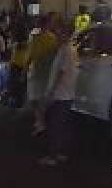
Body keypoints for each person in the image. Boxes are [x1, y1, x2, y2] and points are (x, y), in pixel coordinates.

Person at [39, 19, 78, 167]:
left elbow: (61, 73)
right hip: (65, 93)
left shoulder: (66, 50)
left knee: (54, 125)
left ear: (66, 34)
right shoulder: (68, 49)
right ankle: (60, 153)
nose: (57, 35)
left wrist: (50, 93)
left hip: (60, 94)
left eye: (60, 33)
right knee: (61, 125)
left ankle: (53, 156)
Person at [26, 14, 59, 136]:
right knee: (42, 99)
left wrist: (24, 70)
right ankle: (41, 121)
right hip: (47, 72)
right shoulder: (53, 38)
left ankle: (40, 123)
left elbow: (30, 56)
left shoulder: (36, 38)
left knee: (35, 99)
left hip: (38, 71)